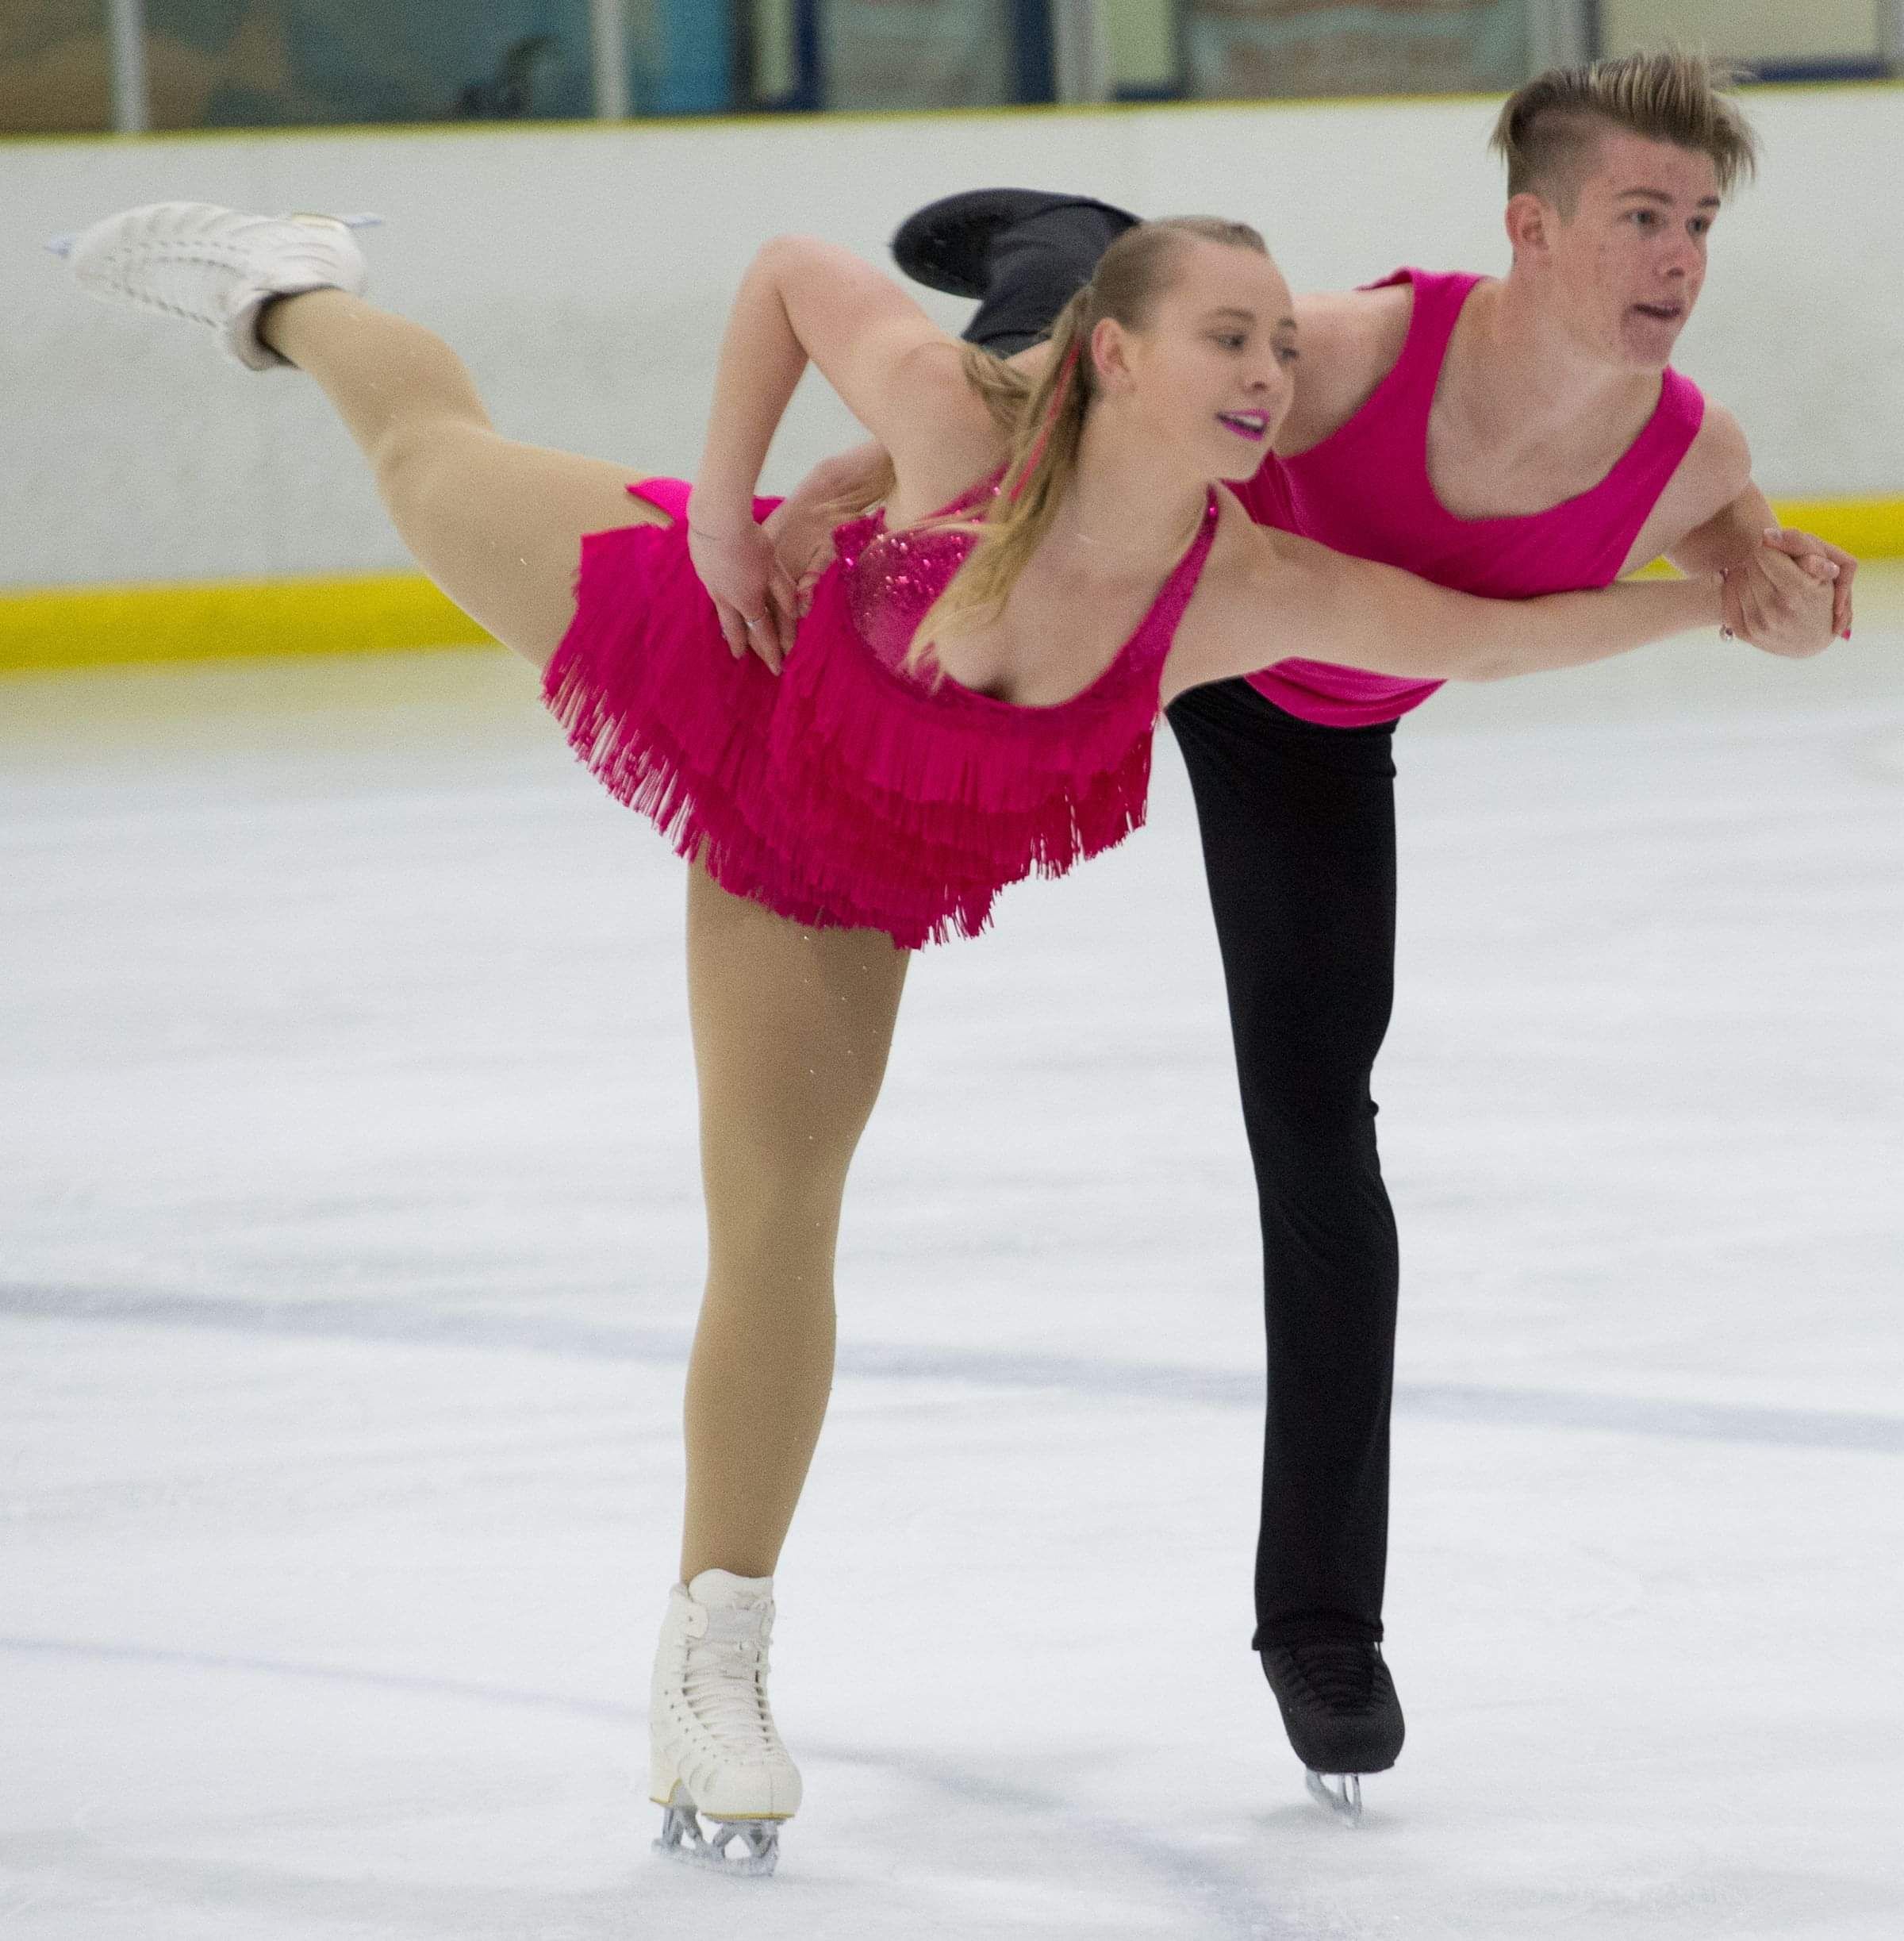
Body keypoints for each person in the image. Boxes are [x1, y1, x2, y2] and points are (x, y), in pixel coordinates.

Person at [51, 192, 1827, 1873]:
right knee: (427, 458)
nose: (1273, 377)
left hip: (829, 869)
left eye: (1281, 344)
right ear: (1115, 355)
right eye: (1230, 339)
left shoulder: (1240, 587)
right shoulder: (967, 429)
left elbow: (1487, 640)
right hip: (706, 641)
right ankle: (290, 291)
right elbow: (788, 270)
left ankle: (709, 1666)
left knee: (775, 1218)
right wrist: (722, 512)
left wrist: (1716, 600)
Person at [765, 48, 1854, 1820]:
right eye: (1640, 217)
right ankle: (1069, 246)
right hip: (1154, 605)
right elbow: (1028, 426)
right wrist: (871, 457)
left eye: (1700, 225)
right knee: (1060, 345)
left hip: (1317, 724)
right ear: (1533, 226)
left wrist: (1774, 591)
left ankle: (1322, 1625)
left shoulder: (1686, 449)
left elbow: (1745, 565)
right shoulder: (1344, 354)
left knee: (1319, 1129)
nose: (1677, 257)